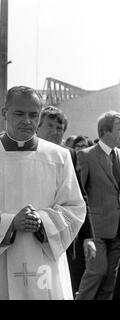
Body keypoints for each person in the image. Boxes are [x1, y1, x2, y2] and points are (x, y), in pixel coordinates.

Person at [0, 86, 86, 300]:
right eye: (19, 113)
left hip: (43, 257)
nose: (27, 121)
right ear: (5, 113)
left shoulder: (59, 157)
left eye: (34, 115)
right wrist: (10, 222)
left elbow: (74, 208)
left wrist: (41, 220)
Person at [37, 105, 96, 297]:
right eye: (50, 126)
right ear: (38, 126)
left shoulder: (68, 155)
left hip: (63, 233)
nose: (54, 132)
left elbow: (79, 196)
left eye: (59, 128)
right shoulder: (22, 152)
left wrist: (88, 236)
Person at [75, 111, 120, 300]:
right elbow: (79, 193)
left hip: (118, 229)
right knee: (96, 272)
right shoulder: (86, 156)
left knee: (111, 279)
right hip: (96, 229)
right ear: (106, 131)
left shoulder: (119, 154)